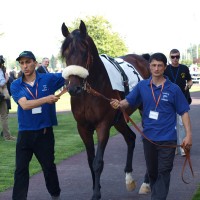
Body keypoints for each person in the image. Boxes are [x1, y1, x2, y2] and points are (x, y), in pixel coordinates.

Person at [110, 53, 192, 200]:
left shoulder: (173, 89)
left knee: (164, 171)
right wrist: (119, 104)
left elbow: (184, 112)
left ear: (164, 67)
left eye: (160, 65)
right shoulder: (142, 86)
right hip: (148, 138)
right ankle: (157, 195)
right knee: (153, 173)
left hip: (168, 140)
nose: (156, 68)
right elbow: (128, 101)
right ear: (149, 66)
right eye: (153, 65)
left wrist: (188, 135)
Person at [11, 51, 66, 200]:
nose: (25, 66)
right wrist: (46, 99)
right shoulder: (16, 84)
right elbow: (25, 105)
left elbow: (68, 75)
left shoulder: (48, 79)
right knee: (21, 170)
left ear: (35, 63)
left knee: (48, 168)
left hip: (44, 133)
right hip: (25, 134)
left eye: (28, 62)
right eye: (22, 63)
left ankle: (55, 195)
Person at [164, 49, 193, 156]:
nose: (175, 59)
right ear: (170, 57)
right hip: (169, 100)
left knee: (181, 124)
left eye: (177, 57)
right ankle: (174, 147)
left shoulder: (184, 68)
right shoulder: (166, 69)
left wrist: (189, 85)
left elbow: (189, 80)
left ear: (179, 57)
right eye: (173, 57)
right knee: (171, 124)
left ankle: (182, 147)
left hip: (181, 99)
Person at [0, 55, 15, 141]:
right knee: (4, 116)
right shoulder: (0, 71)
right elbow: (2, 83)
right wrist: (6, 80)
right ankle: (7, 136)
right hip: (1, 94)